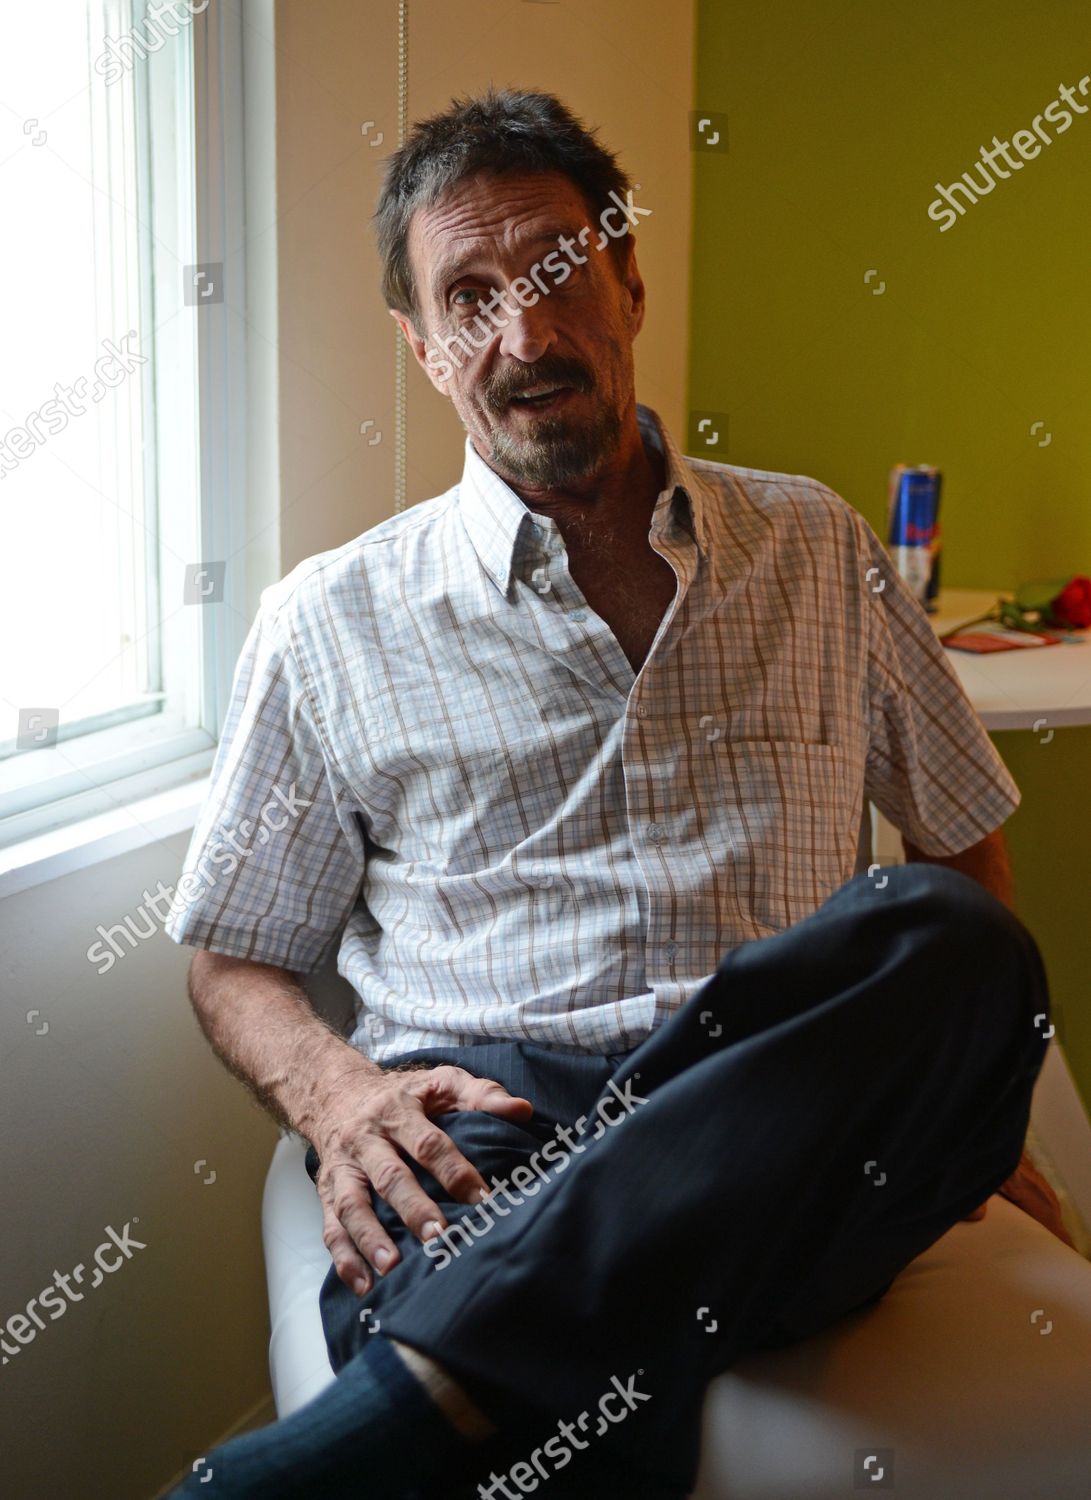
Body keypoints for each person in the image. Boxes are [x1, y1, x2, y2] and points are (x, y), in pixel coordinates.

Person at [166, 89, 1065, 1500]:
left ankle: (415, 1411)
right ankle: (487, 1371)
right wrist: (341, 1098)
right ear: (421, 346)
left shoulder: (817, 543)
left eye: (556, 273)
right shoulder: (327, 621)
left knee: (959, 947)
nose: (525, 337)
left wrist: (963, 1100)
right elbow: (232, 958)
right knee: (505, 1264)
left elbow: (959, 848)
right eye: (470, 299)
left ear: (629, 281)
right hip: (496, 1120)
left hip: (778, 1085)